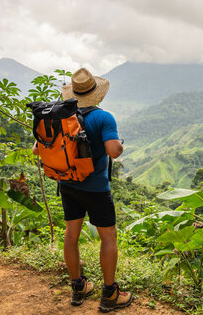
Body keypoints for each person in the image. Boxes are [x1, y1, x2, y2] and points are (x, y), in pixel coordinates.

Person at [32, 68, 132, 312]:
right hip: (96, 188)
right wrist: (120, 145)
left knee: (71, 234)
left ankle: (78, 287)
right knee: (108, 237)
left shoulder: (60, 116)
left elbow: (37, 150)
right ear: (97, 94)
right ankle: (110, 294)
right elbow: (113, 151)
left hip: (67, 184)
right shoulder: (104, 117)